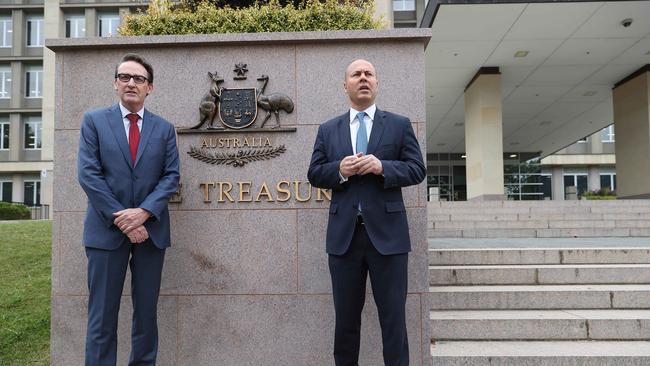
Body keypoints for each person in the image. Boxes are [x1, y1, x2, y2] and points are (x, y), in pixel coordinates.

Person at [307, 59, 426, 366]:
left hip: (389, 239)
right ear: (345, 86)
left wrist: (382, 166)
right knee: (345, 324)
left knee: (394, 323)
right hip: (344, 239)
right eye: (356, 75)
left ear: (377, 83)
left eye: (368, 74)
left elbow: (417, 169)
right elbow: (315, 173)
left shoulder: (399, 125)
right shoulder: (328, 129)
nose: (363, 78)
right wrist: (340, 170)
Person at [77, 53, 180, 366]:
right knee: (102, 318)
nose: (131, 83)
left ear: (150, 88)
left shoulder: (164, 129)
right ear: (115, 83)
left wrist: (144, 213)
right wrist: (124, 219)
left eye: (139, 79)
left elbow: (171, 176)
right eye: (125, 77)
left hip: (151, 232)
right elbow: (89, 175)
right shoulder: (94, 121)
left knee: (146, 316)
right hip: (106, 233)